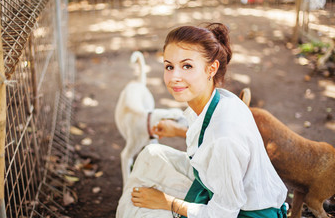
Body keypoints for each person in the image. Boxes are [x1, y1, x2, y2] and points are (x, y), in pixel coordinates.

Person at [116, 23, 288, 218]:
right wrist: (177, 130)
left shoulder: (224, 137)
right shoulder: (221, 99)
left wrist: (167, 202)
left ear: (211, 69)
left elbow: (224, 213)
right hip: (226, 195)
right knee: (151, 154)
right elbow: (209, 139)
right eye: (169, 66)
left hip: (248, 214)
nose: (174, 77)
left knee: (146, 213)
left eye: (187, 66)